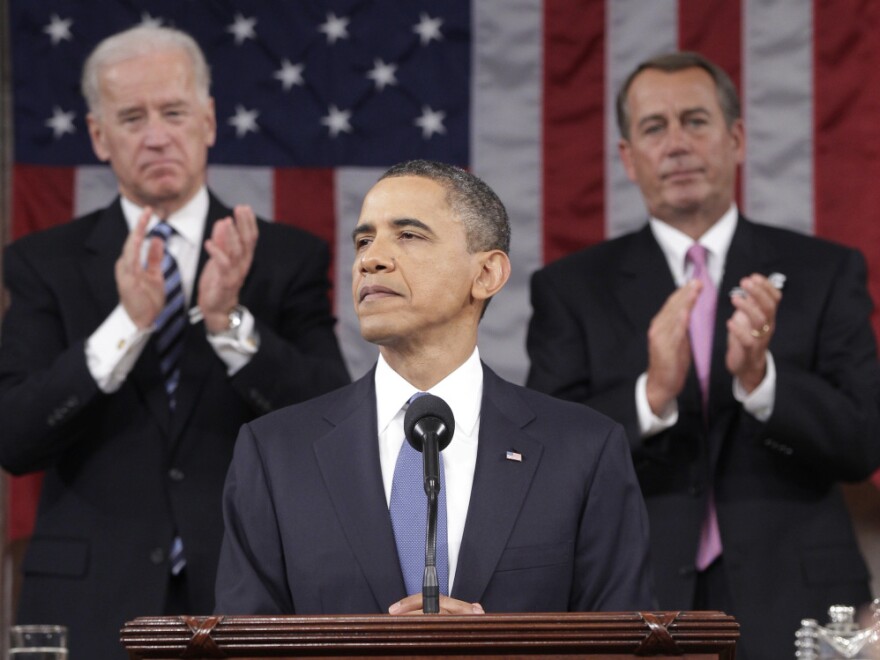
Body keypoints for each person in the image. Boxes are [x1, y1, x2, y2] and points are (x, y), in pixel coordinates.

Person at [0, 25, 350, 659]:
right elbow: (15, 438)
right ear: (100, 137)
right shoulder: (40, 263)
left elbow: (330, 427)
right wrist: (125, 328)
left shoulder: (284, 259)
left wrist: (228, 323)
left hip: (246, 594)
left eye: (174, 112)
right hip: (89, 604)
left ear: (209, 121)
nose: (156, 134)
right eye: (132, 117)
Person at [526, 51, 880, 660]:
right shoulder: (572, 288)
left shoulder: (824, 271)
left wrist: (762, 380)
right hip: (633, 599)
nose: (678, 144)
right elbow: (548, 463)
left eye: (696, 121)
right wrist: (651, 396)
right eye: (654, 128)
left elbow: (864, 443)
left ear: (736, 139)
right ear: (628, 158)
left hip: (798, 602)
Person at [214, 159, 654, 616]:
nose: (371, 259)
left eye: (408, 236)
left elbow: (623, 639)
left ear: (487, 275)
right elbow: (242, 644)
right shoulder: (275, 454)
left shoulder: (583, 450)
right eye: (364, 240)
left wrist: (499, 649)